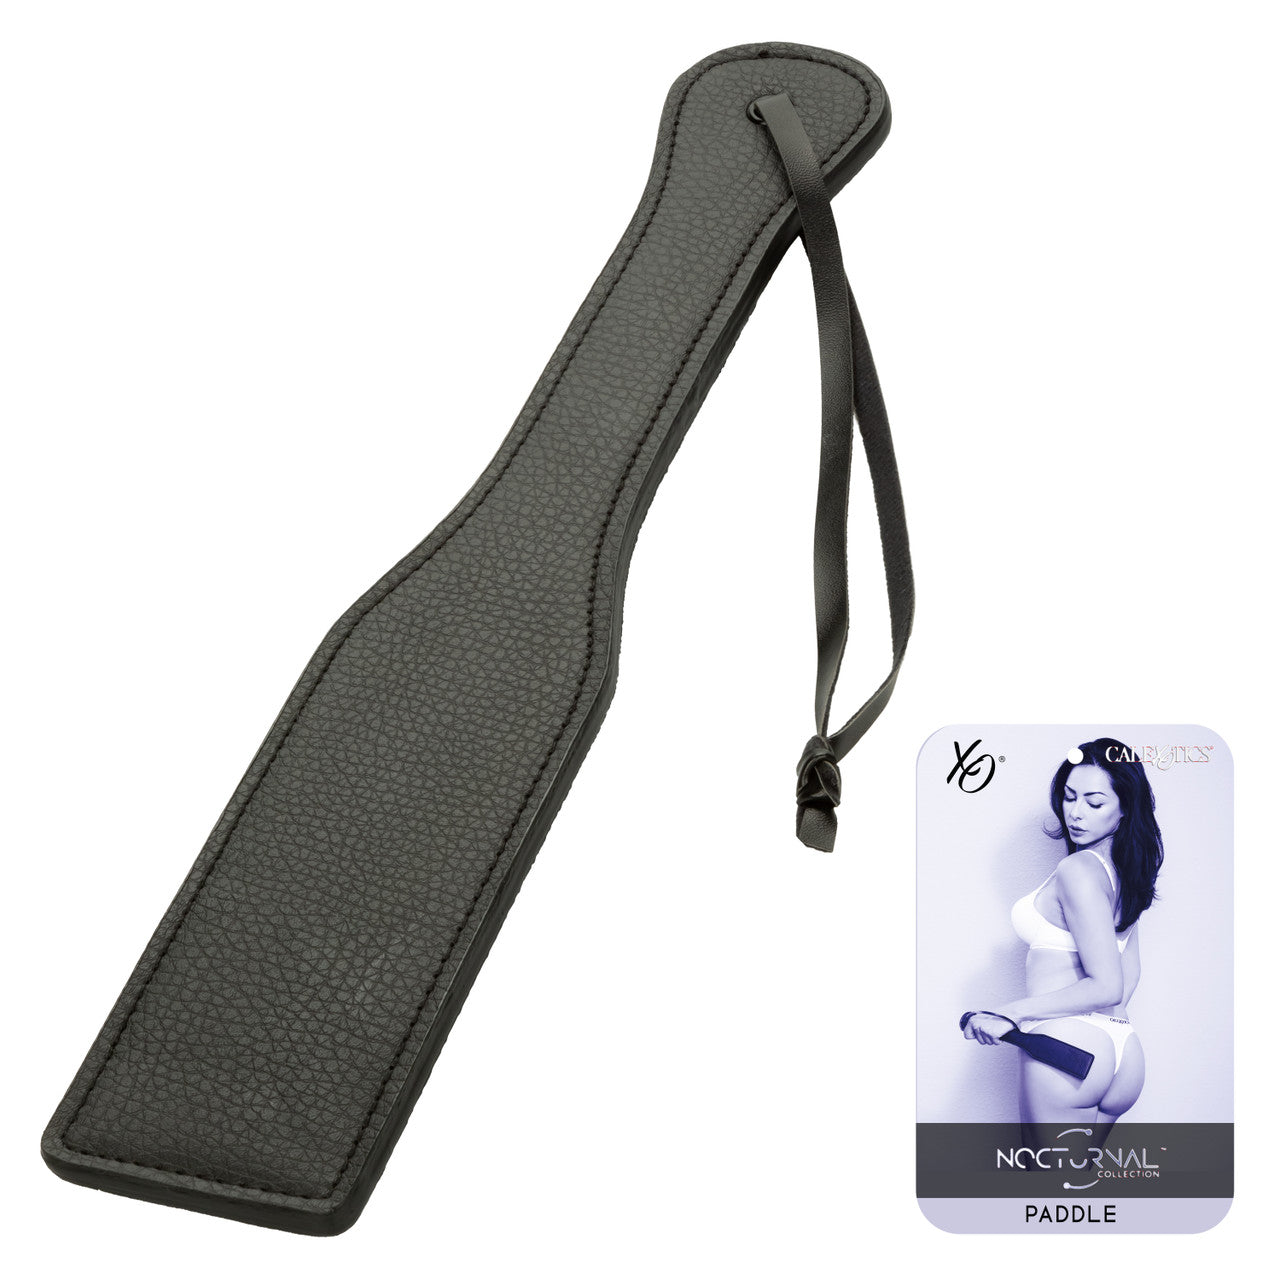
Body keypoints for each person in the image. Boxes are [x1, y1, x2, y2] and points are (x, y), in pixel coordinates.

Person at [964, 738, 1164, 1130]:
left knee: (1044, 1172)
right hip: (1124, 1051)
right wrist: (1099, 1036)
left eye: (1094, 802)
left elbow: (1107, 985)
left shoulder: (1078, 869)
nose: (1075, 812)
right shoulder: (1126, 876)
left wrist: (1009, 1013)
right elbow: (1129, 977)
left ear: (1125, 807)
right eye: (1070, 797)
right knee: (1082, 1172)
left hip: (1066, 1049)